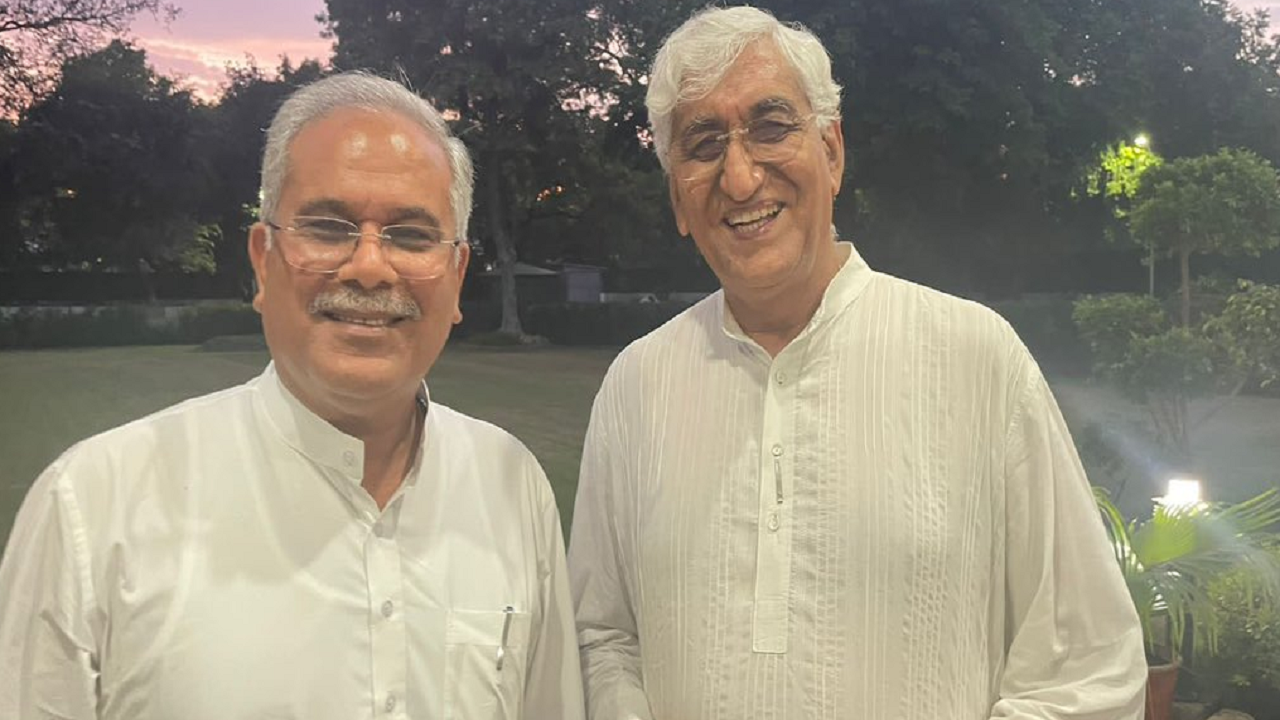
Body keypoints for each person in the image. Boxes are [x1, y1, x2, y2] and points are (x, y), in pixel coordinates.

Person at [568, 7, 1146, 719]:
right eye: (704, 144)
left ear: (832, 151)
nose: (740, 178)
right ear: (678, 199)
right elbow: (603, 636)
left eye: (771, 127)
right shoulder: (637, 385)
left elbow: (1087, 665)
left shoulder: (976, 359)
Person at [0, 71, 584, 720]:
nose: (369, 267)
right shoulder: (95, 506)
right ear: (263, 259)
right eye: (329, 228)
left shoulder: (510, 485)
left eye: (411, 236)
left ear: (457, 274)